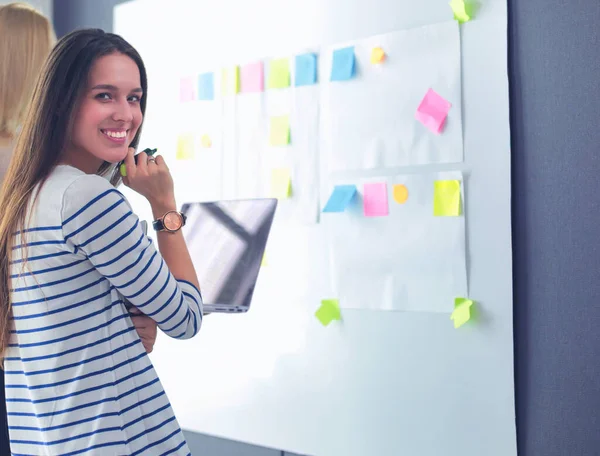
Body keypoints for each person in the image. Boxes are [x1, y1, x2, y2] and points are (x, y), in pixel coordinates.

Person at [0, 26, 203, 455]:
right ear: (63, 102)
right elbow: (186, 318)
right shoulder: (88, 198)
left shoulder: (25, 197)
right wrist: (164, 205)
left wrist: (130, 321)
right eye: (105, 96)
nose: (127, 115)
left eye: (135, 98)